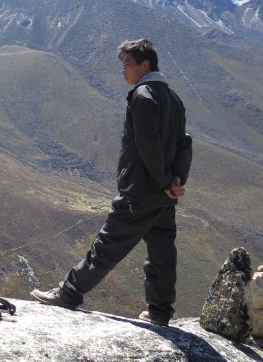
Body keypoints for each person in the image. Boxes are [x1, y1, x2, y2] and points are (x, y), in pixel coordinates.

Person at [31, 39, 192, 326]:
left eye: (128, 64)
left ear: (145, 65)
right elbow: (184, 143)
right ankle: (160, 311)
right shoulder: (173, 98)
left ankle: (68, 294)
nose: (123, 70)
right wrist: (176, 180)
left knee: (107, 246)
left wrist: (165, 181)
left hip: (141, 191)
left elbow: (147, 145)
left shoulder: (143, 95)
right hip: (163, 195)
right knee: (162, 252)